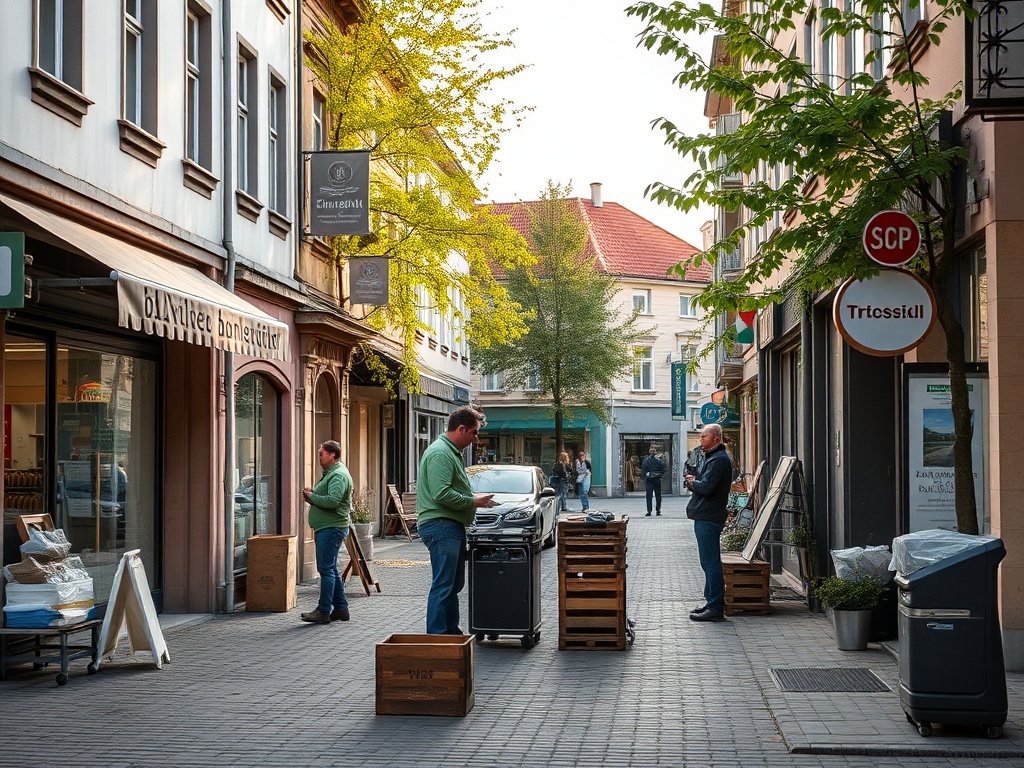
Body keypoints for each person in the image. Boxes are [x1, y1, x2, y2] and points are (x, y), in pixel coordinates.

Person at [417, 407, 497, 634]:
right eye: (474, 433)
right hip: (441, 525)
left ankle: (450, 633)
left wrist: (475, 499)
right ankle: (438, 637)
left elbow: (446, 491)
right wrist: (473, 502)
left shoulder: (449, 452)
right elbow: (440, 494)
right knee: (444, 584)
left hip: (447, 525)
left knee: (452, 584)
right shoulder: (441, 453)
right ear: (461, 429)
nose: (476, 438)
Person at [684, 423, 734, 623]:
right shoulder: (714, 458)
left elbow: (706, 488)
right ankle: (710, 602)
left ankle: (715, 606)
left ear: (715, 438)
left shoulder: (719, 460)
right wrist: (697, 480)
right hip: (707, 514)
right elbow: (707, 483)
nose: (700, 440)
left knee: (710, 561)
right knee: (708, 561)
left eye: (703, 436)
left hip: (709, 516)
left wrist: (691, 483)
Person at [300, 440, 353, 624]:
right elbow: (329, 498)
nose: (318, 456)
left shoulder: (338, 475)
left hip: (331, 528)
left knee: (326, 569)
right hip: (328, 527)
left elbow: (333, 501)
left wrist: (312, 497)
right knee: (330, 568)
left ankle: (324, 611)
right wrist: (313, 498)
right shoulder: (332, 473)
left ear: (333, 455)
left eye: (321, 453)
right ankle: (341, 608)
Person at [641, 445, 666, 516]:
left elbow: (663, 469)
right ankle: (649, 510)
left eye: (653, 450)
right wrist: (645, 477)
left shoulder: (659, 460)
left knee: (657, 495)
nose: (652, 452)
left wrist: (657, 474)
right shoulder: (646, 460)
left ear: (655, 451)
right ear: (649, 451)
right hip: (649, 480)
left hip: (656, 480)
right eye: (651, 450)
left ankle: (658, 510)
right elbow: (643, 470)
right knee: (649, 495)